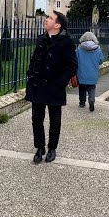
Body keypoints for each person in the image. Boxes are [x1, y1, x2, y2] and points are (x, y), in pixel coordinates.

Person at [25, 10, 78, 164]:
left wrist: (60, 82)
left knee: (55, 120)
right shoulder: (41, 39)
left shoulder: (67, 42)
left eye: (50, 18)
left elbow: (72, 67)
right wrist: (31, 74)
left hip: (55, 87)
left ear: (57, 25)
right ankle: (39, 148)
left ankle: (52, 148)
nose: (46, 19)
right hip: (38, 85)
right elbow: (35, 58)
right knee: (36, 119)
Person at [76, 31, 104, 112]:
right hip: (93, 73)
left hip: (81, 73)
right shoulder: (98, 49)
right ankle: (91, 100)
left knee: (82, 88)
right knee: (91, 88)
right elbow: (101, 60)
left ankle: (82, 102)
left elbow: (75, 59)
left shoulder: (79, 49)